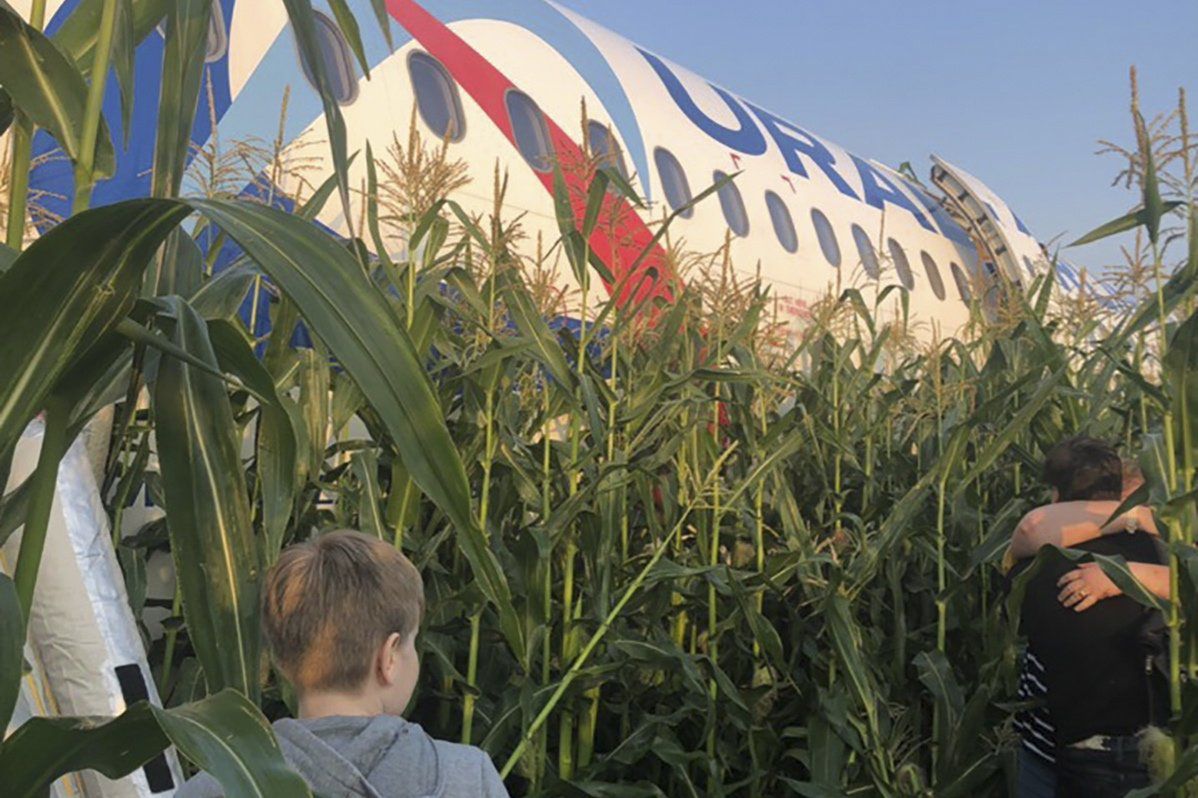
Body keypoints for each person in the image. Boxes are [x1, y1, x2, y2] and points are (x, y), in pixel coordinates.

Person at [176, 529, 509, 798]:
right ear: (389, 656)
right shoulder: (467, 777)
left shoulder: (218, 786)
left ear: (281, 660)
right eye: (411, 642)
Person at [1006, 438, 1169, 797]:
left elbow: (1031, 528)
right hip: (1132, 747)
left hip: (1050, 742)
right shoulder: (1161, 553)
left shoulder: (1031, 563)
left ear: (1054, 494)